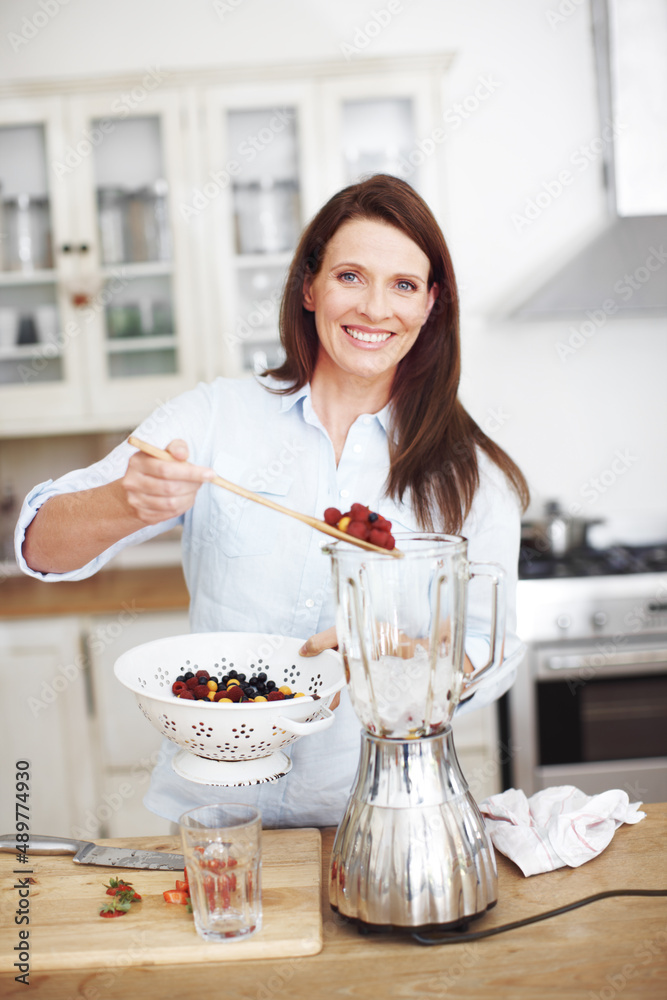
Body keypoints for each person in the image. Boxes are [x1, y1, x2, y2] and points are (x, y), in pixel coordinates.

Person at [16, 174, 529, 829]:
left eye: (402, 285)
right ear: (309, 287)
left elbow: (494, 648)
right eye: (350, 276)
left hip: (381, 815)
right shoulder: (214, 417)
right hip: (215, 817)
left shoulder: (471, 473)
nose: (374, 308)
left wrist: (402, 656)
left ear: (430, 304)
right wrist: (128, 499)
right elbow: (40, 546)